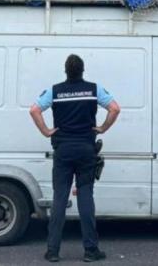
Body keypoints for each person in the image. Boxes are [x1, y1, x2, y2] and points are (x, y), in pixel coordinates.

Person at [29, 54, 121, 263]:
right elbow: (115, 108)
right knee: (86, 197)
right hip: (86, 149)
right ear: (82, 70)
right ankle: (90, 250)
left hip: (62, 150)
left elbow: (34, 109)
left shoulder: (55, 91)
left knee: (60, 198)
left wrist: (46, 131)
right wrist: (102, 128)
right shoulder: (93, 89)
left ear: (66, 71)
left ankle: (52, 251)